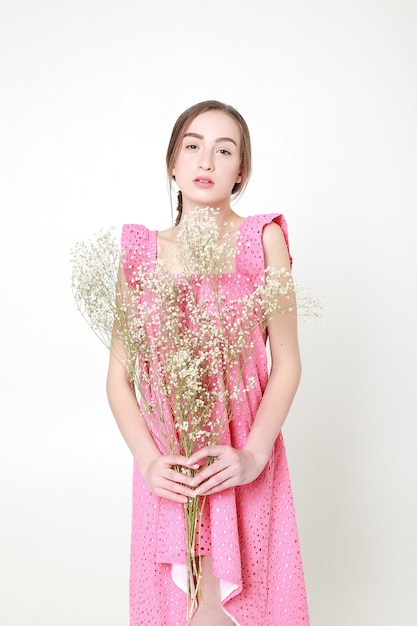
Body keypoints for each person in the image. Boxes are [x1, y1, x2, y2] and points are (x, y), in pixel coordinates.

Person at [106, 100, 310, 625]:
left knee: (233, 607)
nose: (206, 161)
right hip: (168, 461)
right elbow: (119, 380)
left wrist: (252, 456)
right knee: (180, 607)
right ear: (172, 162)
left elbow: (287, 362)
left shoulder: (262, 239)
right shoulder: (139, 250)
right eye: (193, 146)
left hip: (240, 452)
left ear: (240, 171)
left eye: (225, 150)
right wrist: (150, 463)